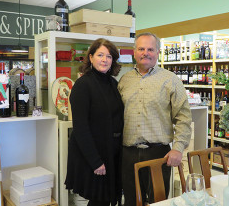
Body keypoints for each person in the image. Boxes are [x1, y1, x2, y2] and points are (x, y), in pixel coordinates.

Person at [118, 32, 192, 205]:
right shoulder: (124, 80)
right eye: (141, 49)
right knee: (131, 201)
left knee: (157, 202)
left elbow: (183, 116)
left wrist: (178, 148)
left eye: (150, 49)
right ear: (134, 52)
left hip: (159, 154)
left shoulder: (171, 80)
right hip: (128, 153)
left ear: (158, 52)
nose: (146, 53)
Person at [65, 38, 124, 206]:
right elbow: (81, 128)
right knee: (99, 200)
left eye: (109, 56)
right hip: (95, 155)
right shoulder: (83, 85)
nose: (105, 60)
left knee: (105, 200)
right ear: (90, 58)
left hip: (111, 151)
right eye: (100, 55)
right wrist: (95, 161)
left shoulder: (113, 83)